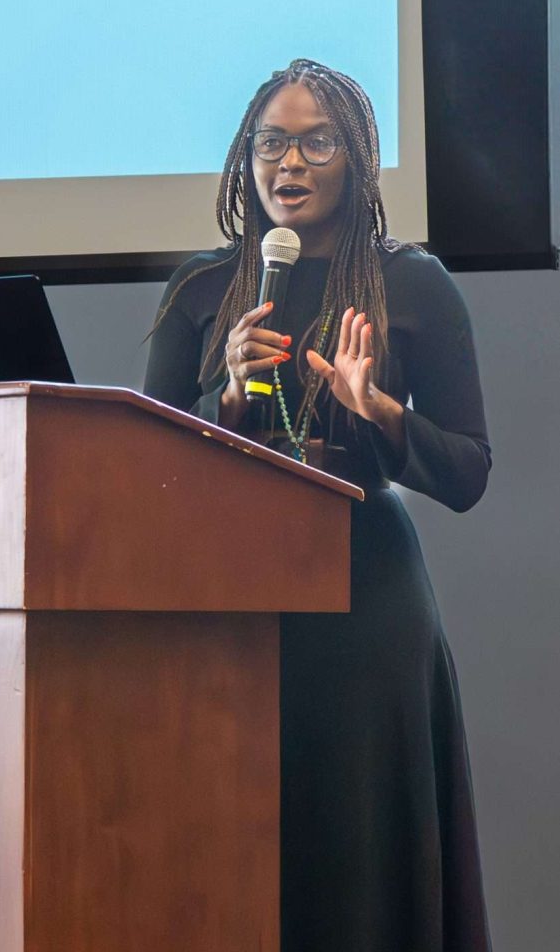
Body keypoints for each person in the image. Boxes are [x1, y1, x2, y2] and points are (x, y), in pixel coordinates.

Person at [144, 59, 493, 951]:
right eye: (270, 143)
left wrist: (380, 415)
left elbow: (466, 471)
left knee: (361, 851)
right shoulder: (202, 291)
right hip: (228, 601)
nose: (287, 165)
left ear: (356, 161)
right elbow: (148, 469)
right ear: (243, 160)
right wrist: (221, 397)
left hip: (362, 600)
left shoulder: (410, 284)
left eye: (314, 142)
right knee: (236, 838)